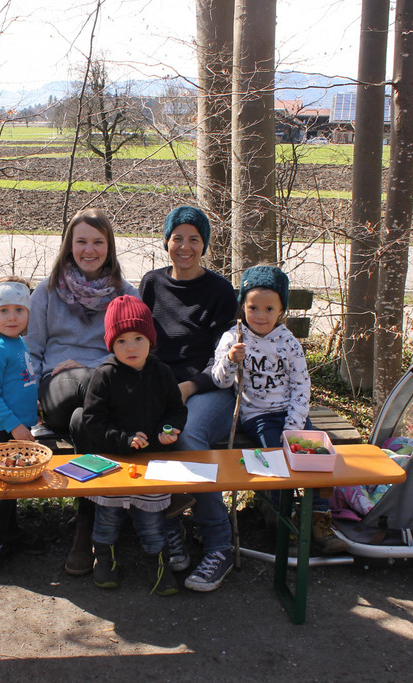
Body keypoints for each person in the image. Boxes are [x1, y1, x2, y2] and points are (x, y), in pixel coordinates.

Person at [25, 207, 138, 575]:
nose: (89, 250)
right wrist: (34, 394)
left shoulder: (126, 295)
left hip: (103, 391)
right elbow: (32, 352)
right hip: (57, 386)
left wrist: (96, 366)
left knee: (82, 419)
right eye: (82, 241)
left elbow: (135, 352)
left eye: (98, 242)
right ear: (69, 245)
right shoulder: (47, 291)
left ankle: (86, 523)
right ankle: (107, 517)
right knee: (80, 394)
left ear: (109, 246)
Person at [212, 265, 348, 554]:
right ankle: (283, 522)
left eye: (269, 309)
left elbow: (301, 385)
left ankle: (319, 518)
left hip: (290, 413)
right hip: (258, 416)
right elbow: (220, 381)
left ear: (281, 310)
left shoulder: (288, 342)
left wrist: (294, 425)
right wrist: (231, 360)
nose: (260, 316)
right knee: (274, 461)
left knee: (317, 456)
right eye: (253, 308)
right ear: (243, 306)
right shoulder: (233, 338)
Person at [139, 205, 238, 592]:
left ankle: (219, 545)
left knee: (188, 434)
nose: (185, 246)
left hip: (210, 388)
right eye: (177, 238)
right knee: (144, 431)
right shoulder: (151, 283)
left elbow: (222, 358)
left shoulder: (219, 291)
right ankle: (171, 526)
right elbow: (141, 341)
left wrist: (189, 387)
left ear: (204, 245)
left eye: (194, 239)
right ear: (166, 242)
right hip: (160, 388)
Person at [77, 295, 187, 595]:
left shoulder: (162, 373)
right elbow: (93, 422)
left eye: (139, 338)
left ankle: (158, 562)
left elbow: (176, 410)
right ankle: (104, 558)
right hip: (113, 461)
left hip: (153, 462)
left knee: (152, 520)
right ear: (111, 344)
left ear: (151, 340)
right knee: (108, 517)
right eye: (122, 341)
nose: (131, 347)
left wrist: (170, 430)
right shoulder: (104, 375)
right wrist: (123, 439)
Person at [0, 276, 44, 564]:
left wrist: (33, 407)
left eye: (19, 310)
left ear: (28, 314)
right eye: (3, 310)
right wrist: (14, 426)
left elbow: (20, 382)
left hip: (20, 426)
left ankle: (11, 532)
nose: (12, 317)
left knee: (13, 486)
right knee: (5, 490)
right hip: (4, 430)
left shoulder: (18, 343)